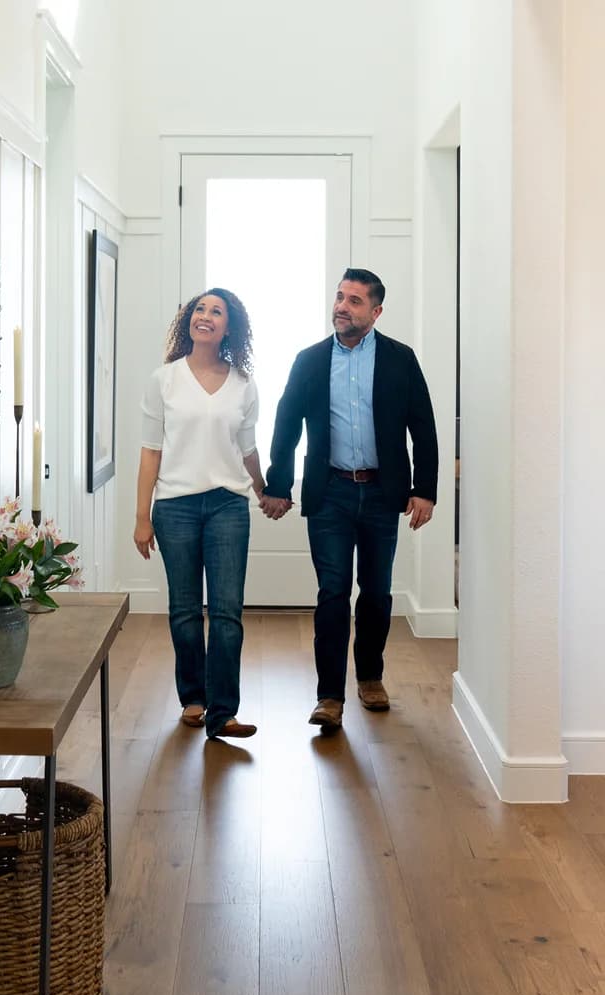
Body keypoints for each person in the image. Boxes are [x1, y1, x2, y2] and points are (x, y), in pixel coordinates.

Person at [260, 268, 438, 732]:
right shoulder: (311, 360)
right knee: (333, 593)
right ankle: (329, 695)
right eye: (340, 297)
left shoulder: (401, 360)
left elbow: (424, 427)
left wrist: (425, 490)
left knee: (376, 592)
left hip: (383, 494)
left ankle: (371, 677)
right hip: (331, 493)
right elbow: (286, 425)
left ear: (376, 312)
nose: (342, 306)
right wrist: (279, 486)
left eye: (355, 300)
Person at [134, 288, 264, 740]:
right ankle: (194, 697)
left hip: (229, 505)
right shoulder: (164, 380)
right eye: (199, 309)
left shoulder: (244, 385)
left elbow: (247, 450)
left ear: (230, 328)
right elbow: (150, 452)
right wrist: (142, 516)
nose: (205, 316)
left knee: (227, 613)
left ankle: (223, 712)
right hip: (175, 508)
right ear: (189, 321)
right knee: (185, 611)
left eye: (216, 312)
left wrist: (265, 491)